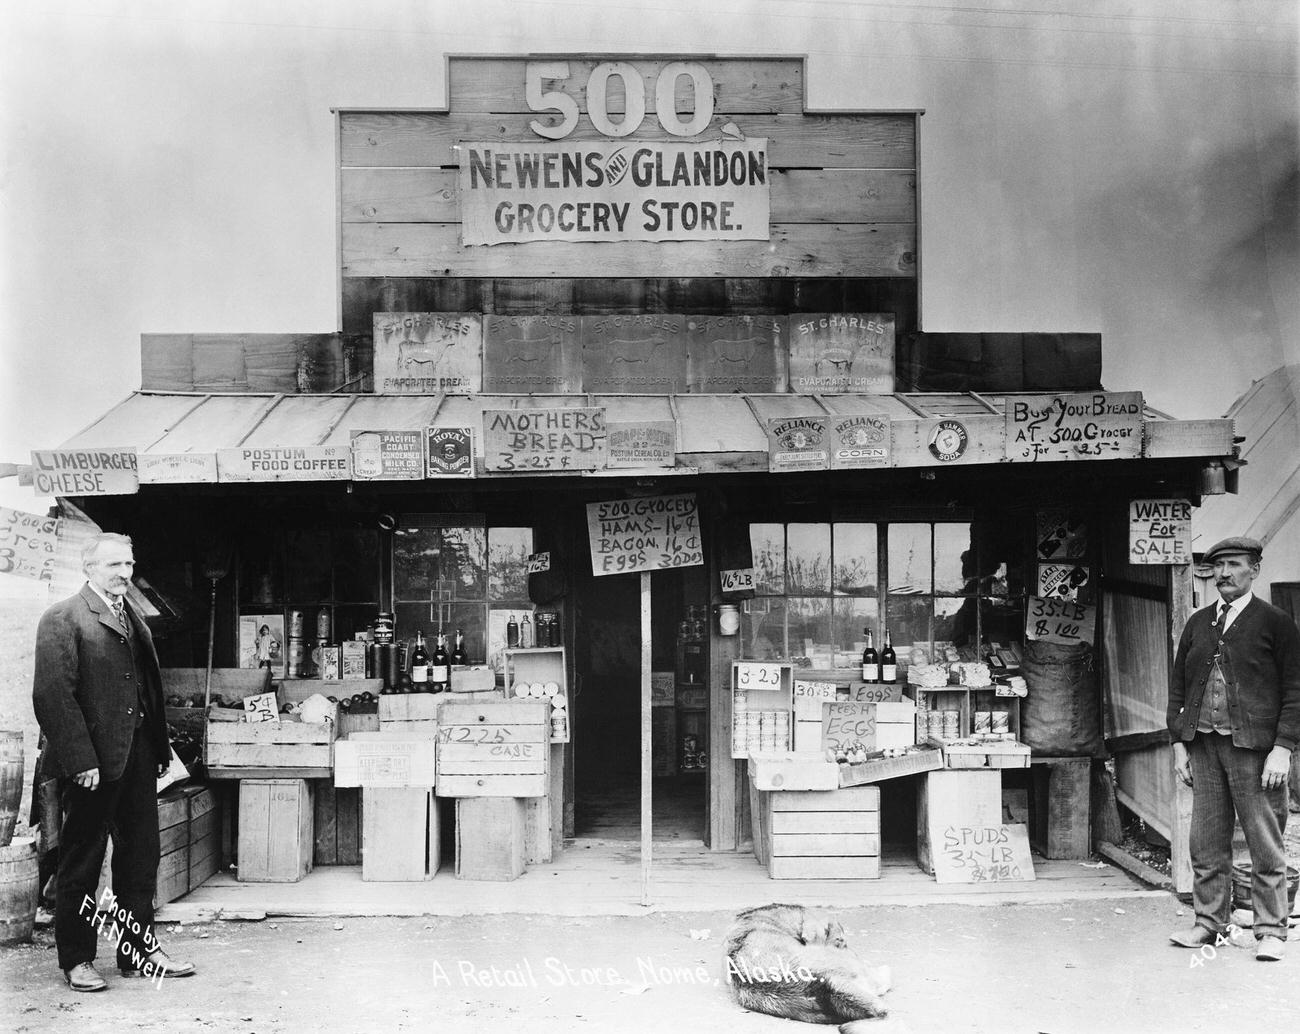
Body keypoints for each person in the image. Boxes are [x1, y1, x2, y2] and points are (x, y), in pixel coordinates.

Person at [32, 532, 196, 992]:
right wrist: (80, 759)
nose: (124, 573)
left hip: (138, 758)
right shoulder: (63, 618)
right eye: (113, 566)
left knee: (140, 856)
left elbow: (147, 690)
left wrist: (160, 752)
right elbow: (53, 697)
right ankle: (78, 960)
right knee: (82, 860)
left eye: (128, 564)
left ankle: (138, 951)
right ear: (89, 569)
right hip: (92, 766)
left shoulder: (133, 618)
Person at [1167, 536, 1299, 962]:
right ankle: (1209, 923)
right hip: (1203, 746)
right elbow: (1178, 689)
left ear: (1254, 570)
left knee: (1264, 841)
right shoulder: (1198, 622)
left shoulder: (1275, 622)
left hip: (1255, 751)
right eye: (1218, 566)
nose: (1224, 573)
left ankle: (1271, 930)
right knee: (1205, 841)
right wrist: (1178, 743)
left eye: (1235, 565)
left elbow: (1296, 691)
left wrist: (1283, 748)